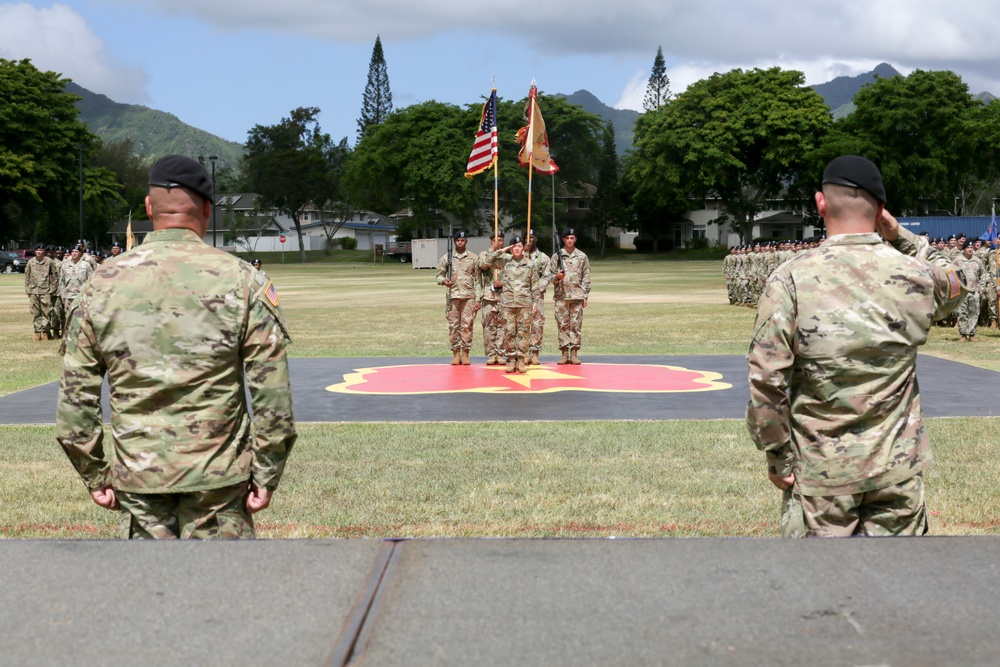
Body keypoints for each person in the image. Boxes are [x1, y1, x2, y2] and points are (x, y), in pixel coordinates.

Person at [56, 154, 296, 539]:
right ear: (206, 208)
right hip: (218, 481)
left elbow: (76, 398)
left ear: (150, 208)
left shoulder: (100, 284)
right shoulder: (243, 280)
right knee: (223, 594)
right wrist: (267, 472)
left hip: (140, 477)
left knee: (152, 595)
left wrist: (95, 473)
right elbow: (271, 391)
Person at [746, 155, 970, 538]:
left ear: (820, 203)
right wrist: (901, 236)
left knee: (823, 590)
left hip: (822, 473)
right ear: (881, 210)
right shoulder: (915, 274)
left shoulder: (792, 278)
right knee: (893, 587)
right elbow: (956, 281)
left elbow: (767, 379)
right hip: (896, 471)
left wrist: (779, 458)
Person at [481, 235, 540, 373]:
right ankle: (512, 360)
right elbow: (486, 262)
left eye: (519, 246)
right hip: (508, 304)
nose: (517, 249)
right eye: (514, 246)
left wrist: (535, 302)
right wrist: (501, 250)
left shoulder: (529, 264)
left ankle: (521, 360)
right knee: (509, 332)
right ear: (511, 248)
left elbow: (535, 285)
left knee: (523, 333)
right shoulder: (505, 262)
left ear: (523, 248)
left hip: (524, 304)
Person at [540, 228, 590, 364]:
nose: (569, 240)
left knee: (575, 325)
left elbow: (586, 277)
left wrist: (585, 295)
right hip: (562, 296)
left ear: (575, 239)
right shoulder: (557, 256)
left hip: (577, 296)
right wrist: (557, 277)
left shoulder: (582, 256)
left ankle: (573, 353)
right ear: (563, 240)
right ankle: (563, 353)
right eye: (567, 238)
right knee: (562, 325)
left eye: (572, 238)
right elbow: (548, 276)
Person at [436, 230, 481, 365]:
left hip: (469, 297)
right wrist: (444, 281)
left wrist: (478, 299)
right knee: (454, 325)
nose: (460, 242)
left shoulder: (474, 258)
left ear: (466, 241)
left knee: (467, 325)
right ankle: (456, 353)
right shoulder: (446, 258)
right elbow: (439, 275)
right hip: (453, 296)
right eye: (457, 241)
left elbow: (478, 280)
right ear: (455, 242)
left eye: (462, 240)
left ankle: (465, 353)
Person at [477, 231, 506, 366]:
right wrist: (493, 251)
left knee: (502, 326)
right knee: (489, 326)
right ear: (491, 241)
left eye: (500, 240)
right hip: (489, 296)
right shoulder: (484, 254)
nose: (498, 242)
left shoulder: (506, 257)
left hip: (504, 297)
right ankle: (491, 353)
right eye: (495, 240)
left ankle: (500, 353)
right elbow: (483, 265)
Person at [525, 229, 549, 365]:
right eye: (527, 237)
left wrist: (536, 288)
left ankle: (534, 352)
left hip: (537, 296)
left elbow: (548, 275)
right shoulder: (519, 255)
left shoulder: (543, 258)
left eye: (532, 237)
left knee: (536, 324)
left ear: (536, 239)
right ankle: (522, 351)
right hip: (521, 295)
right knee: (522, 325)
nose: (529, 240)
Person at [24, 243, 56, 341]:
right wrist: (28, 290)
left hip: (45, 291)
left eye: (41, 250)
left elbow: (54, 276)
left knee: (46, 312)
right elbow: (27, 276)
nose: (39, 252)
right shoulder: (31, 262)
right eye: (37, 250)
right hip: (33, 291)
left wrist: (52, 290)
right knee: (35, 312)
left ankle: (45, 332)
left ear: (44, 251)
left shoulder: (49, 261)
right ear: (35, 251)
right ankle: (38, 332)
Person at [955, 240, 985, 342]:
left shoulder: (977, 261)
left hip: (974, 291)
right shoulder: (957, 260)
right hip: (962, 291)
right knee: (962, 313)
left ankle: (971, 334)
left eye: (971, 248)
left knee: (974, 312)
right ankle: (963, 334)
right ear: (964, 249)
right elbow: (951, 274)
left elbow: (983, 275)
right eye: (968, 248)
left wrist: (981, 288)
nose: (970, 249)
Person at [58, 244, 93, 320]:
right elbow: (61, 282)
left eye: (76, 252)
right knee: (68, 317)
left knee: (81, 318)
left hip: (81, 296)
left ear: (80, 253)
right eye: (73, 252)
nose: (74, 253)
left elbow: (91, 281)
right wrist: (63, 296)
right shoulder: (65, 266)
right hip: (68, 296)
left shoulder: (86, 265)